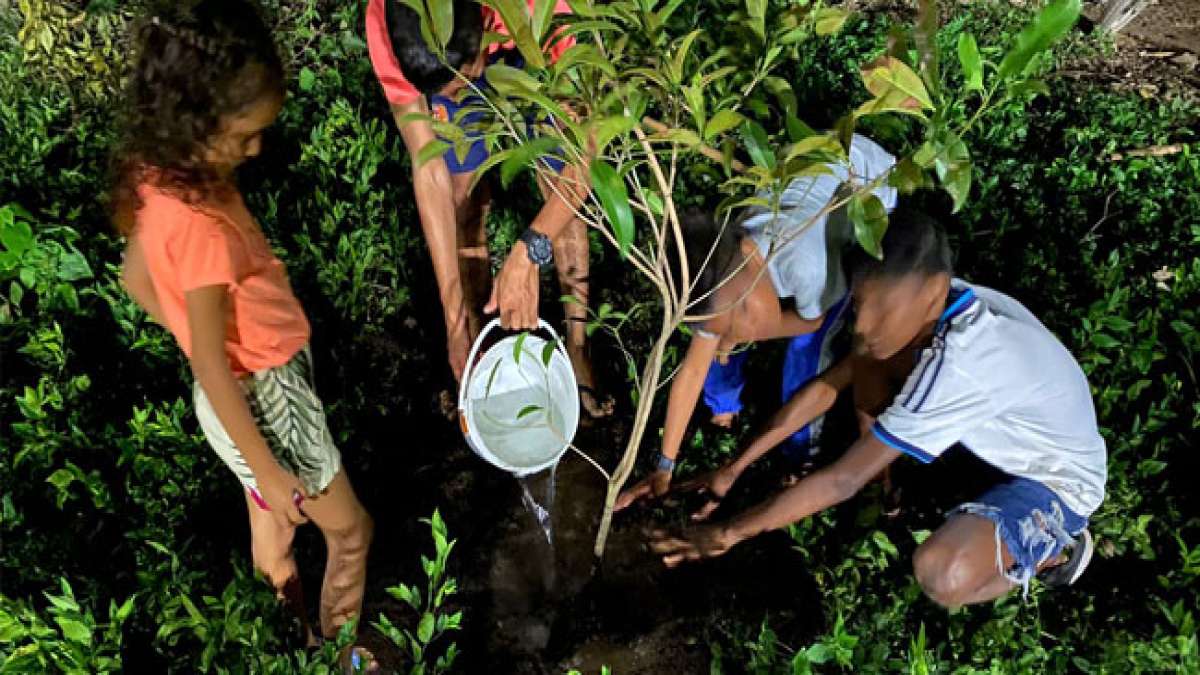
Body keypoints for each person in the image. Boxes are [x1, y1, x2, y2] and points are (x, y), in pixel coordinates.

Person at [648, 208, 1107, 608]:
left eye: (878, 310)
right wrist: (734, 467)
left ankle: (1052, 550)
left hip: (1057, 480)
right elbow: (827, 387)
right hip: (1000, 440)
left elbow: (843, 479)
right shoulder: (930, 311)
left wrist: (728, 534)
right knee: (869, 362)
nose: (863, 325)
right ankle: (910, 473)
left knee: (942, 574)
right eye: (861, 306)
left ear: (935, 290)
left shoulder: (964, 360)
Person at [111, 2, 377, 669]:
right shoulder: (200, 225)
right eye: (245, 135)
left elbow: (134, 279)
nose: (256, 148)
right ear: (197, 121)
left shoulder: (156, 175)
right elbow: (205, 352)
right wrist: (265, 457)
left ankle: (295, 645)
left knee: (273, 529)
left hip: (233, 397)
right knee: (351, 531)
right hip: (267, 392)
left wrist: (212, 361)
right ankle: (340, 651)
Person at [616, 133, 898, 509]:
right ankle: (723, 408)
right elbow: (693, 366)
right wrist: (664, 466)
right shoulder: (719, 268)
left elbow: (808, 324)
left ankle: (801, 449)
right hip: (809, 170)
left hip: (868, 185)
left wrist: (752, 331)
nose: (744, 331)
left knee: (807, 350)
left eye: (742, 314)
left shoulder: (809, 268)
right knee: (717, 341)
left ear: (748, 278)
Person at [365, 0, 613, 417]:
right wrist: (454, 322)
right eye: (444, 91)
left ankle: (576, 344)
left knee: (558, 183)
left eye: (461, 81)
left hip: (531, 45)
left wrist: (530, 250)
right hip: (467, 49)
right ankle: (477, 341)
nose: (458, 92)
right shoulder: (387, 24)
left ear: (482, 22)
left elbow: (582, 157)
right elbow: (429, 170)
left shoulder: (546, 8)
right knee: (461, 193)